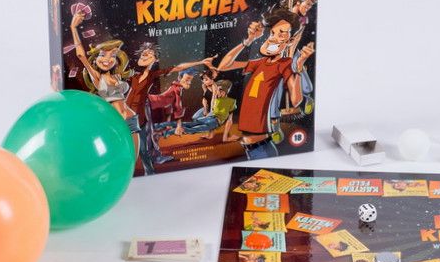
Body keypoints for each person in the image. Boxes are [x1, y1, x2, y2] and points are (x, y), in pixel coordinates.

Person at [216, 9, 314, 160]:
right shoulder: (260, 63)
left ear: (289, 41)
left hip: (262, 149)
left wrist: (299, 66)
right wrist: (248, 41)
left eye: (281, 34)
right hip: (250, 149)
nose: (273, 39)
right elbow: (223, 66)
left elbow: (296, 100)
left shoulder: (284, 64)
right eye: (272, 33)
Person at [125, 43, 213, 174]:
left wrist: (200, 62)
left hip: (141, 111)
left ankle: (151, 167)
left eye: (150, 54)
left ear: (155, 60)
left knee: (145, 142)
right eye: (144, 53)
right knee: (138, 139)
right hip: (130, 110)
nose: (145, 54)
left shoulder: (153, 75)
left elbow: (177, 68)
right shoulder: (133, 75)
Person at [70, 12, 134, 119]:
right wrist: (73, 28)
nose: (107, 59)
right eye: (102, 55)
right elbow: (81, 55)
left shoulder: (117, 75)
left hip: (131, 116)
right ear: (95, 59)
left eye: (112, 55)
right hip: (116, 120)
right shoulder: (98, 78)